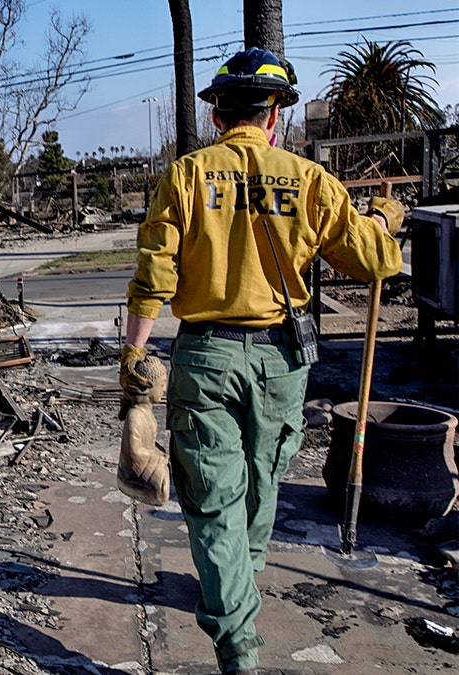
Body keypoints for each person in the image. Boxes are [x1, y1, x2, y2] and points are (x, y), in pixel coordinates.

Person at [119, 48, 403, 675]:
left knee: (215, 501)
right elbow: (378, 262)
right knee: (262, 488)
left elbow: (152, 277)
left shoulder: (187, 176)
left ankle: (235, 636)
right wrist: (383, 218)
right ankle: (235, 600)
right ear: (274, 113)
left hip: (205, 357)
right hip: (280, 364)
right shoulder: (310, 181)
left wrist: (136, 355)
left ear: (218, 113)